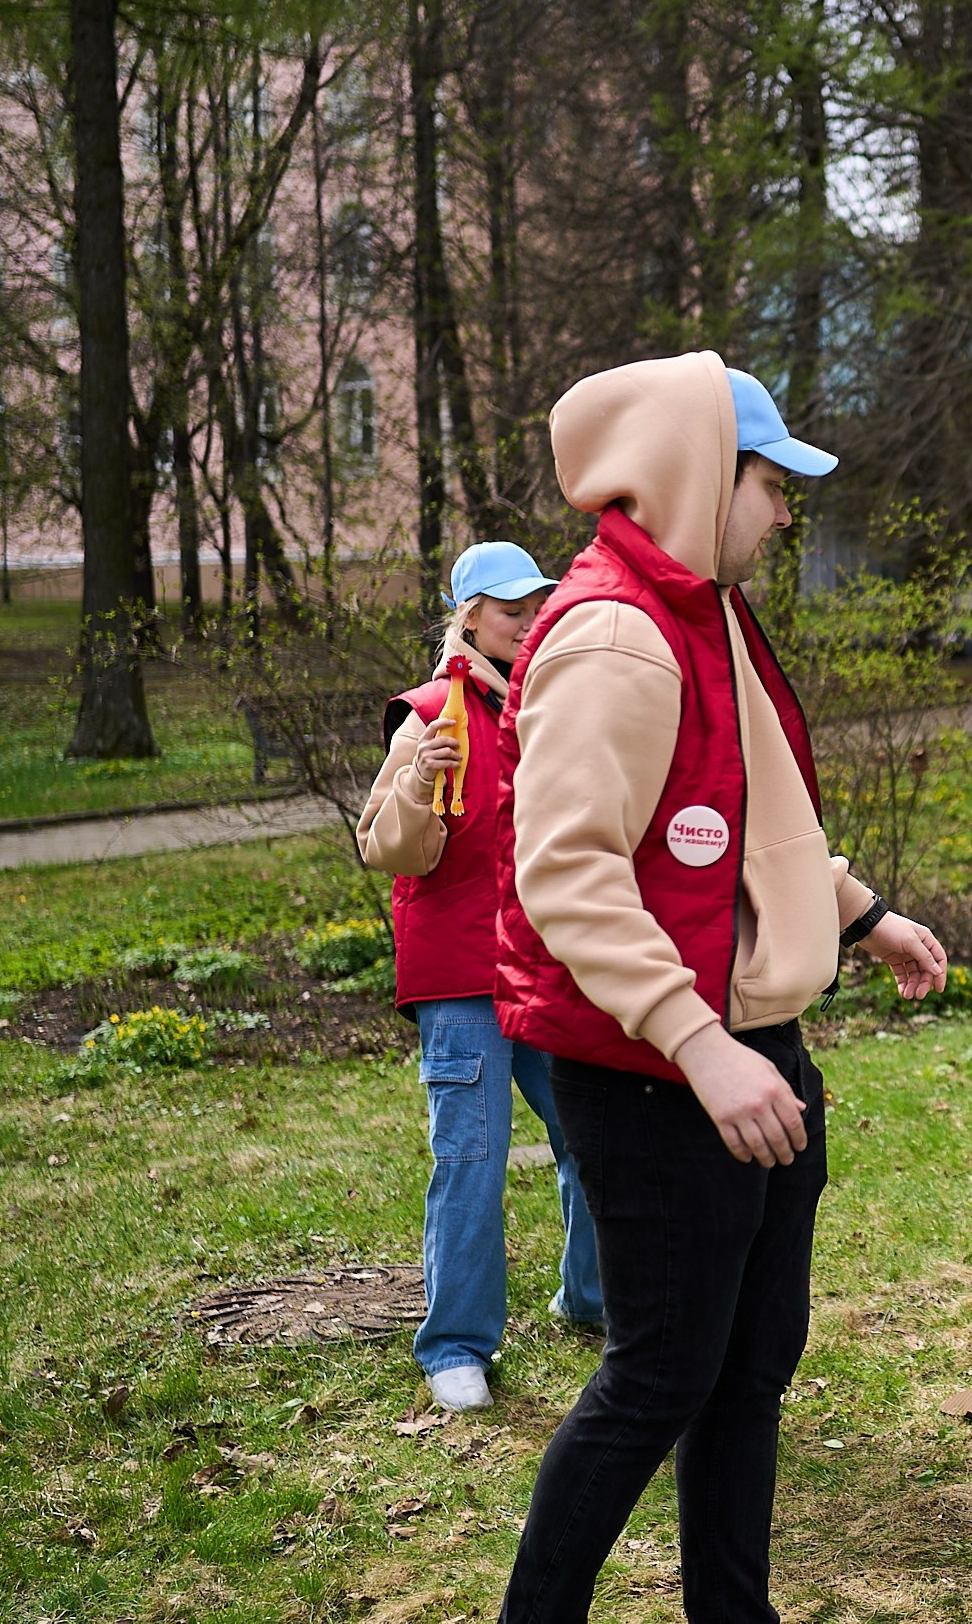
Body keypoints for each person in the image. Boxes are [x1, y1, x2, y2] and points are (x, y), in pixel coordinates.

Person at [496, 353, 949, 1623]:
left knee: (748, 1376)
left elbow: (753, 820)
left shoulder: (708, 616)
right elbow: (567, 874)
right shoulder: (616, 637)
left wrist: (862, 916)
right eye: (771, 484)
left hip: (753, 1054)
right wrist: (700, 1047)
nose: (785, 513)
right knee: (659, 1379)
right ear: (699, 475)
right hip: (658, 1077)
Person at [356, 542, 604, 1413]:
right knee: (473, 1156)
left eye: (536, 608)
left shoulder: (546, 705)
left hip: (542, 966)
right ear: (468, 618)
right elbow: (385, 847)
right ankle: (456, 1345)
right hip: (460, 978)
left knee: (591, 1134)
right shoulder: (430, 716)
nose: (528, 623)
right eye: (510, 611)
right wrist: (417, 783)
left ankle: (591, 1298)